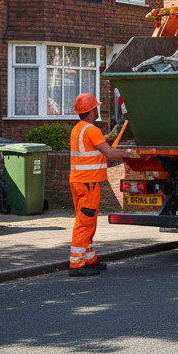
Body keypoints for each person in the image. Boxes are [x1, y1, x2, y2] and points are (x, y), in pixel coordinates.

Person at [68, 93, 133, 277]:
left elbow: (97, 147)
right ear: (91, 111)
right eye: (95, 107)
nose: (98, 110)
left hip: (79, 181)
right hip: (88, 182)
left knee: (88, 221)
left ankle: (89, 258)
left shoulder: (78, 129)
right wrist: (130, 153)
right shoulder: (91, 130)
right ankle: (78, 263)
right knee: (84, 222)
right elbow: (110, 154)